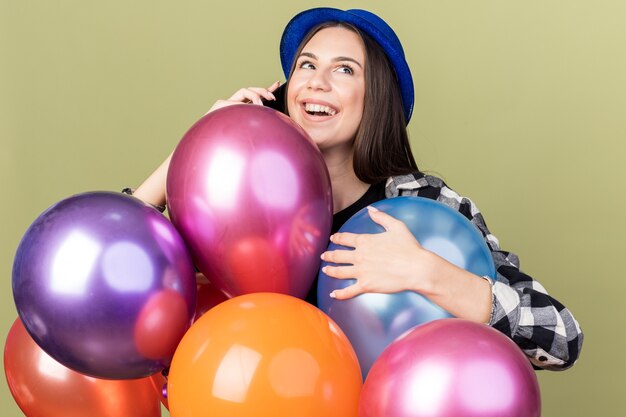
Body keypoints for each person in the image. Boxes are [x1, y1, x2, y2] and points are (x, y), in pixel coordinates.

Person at [131, 7, 582, 370]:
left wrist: (428, 273)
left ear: (376, 98)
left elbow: (562, 338)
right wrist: (196, 148)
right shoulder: (232, 205)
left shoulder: (421, 205)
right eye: (306, 64)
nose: (316, 82)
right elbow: (111, 273)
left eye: (344, 70)